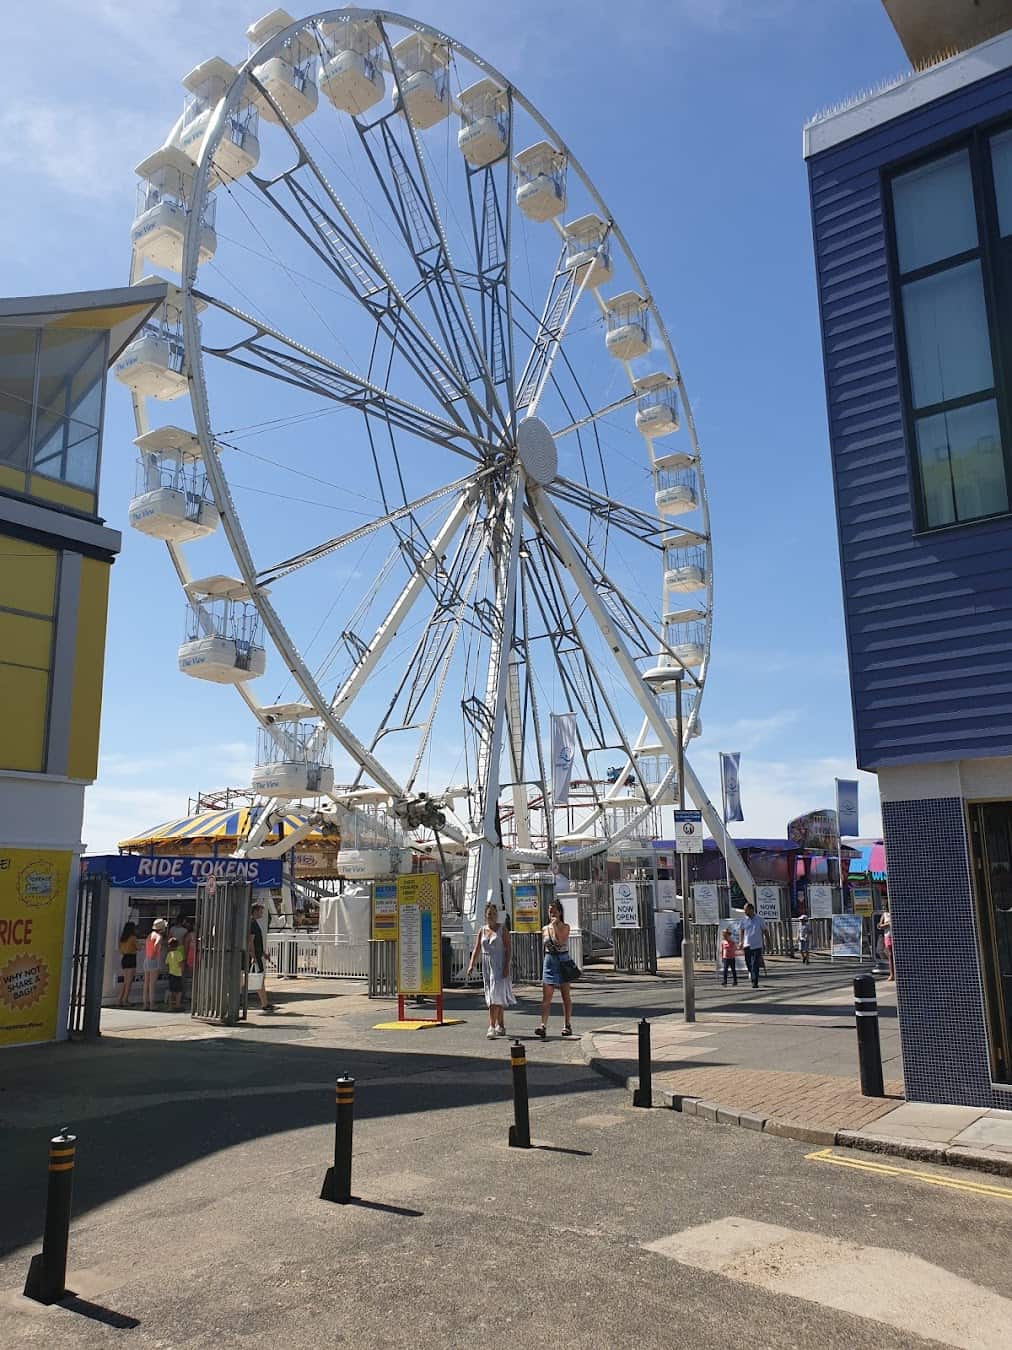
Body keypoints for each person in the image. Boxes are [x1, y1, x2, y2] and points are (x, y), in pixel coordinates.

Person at [467, 902, 516, 1038]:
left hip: (499, 964)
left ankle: (491, 1026)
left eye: (494, 914)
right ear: (485, 915)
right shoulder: (482, 930)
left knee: (495, 996)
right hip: (487, 965)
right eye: (489, 914)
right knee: (493, 995)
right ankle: (501, 1025)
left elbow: (508, 949)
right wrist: (471, 965)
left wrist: (507, 966)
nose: (492, 916)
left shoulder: (502, 930)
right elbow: (477, 949)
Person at [535, 899, 574, 1039]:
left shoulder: (565, 927)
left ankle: (567, 1025)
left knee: (565, 995)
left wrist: (555, 926)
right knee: (546, 996)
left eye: (554, 911)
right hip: (549, 960)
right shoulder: (545, 928)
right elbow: (544, 946)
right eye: (550, 911)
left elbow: (560, 942)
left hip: (562, 960)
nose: (552, 914)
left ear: (560, 912)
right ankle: (543, 1025)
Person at [248, 903, 275, 1012]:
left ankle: (265, 1003)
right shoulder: (252, 923)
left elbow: (256, 942)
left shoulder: (253, 923)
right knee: (258, 979)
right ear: (255, 911)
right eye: (261, 911)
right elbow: (251, 941)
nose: (262, 913)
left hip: (257, 955)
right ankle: (264, 1004)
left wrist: (263, 953)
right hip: (254, 957)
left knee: (259, 979)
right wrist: (253, 955)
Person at [142, 918, 167, 1010]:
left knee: (146, 983)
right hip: (153, 960)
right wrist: (155, 952)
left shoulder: (150, 935)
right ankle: (152, 1004)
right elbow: (156, 945)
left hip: (147, 959)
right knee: (152, 983)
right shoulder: (158, 936)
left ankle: (145, 1004)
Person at [739, 902, 765, 989]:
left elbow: (765, 931)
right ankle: (751, 972)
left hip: (757, 945)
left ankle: (755, 981)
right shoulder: (744, 920)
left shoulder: (759, 919)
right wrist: (741, 941)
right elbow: (741, 930)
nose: (745, 912)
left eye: (746, 910)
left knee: (755, 964)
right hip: (747, 944)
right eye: (744, 910)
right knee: (748, 963)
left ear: (751, 910)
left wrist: (768, 942)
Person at [117, 921, 139, 1007]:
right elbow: (138, 947)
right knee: (129, 981)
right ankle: (125, 1000)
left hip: (125, 958)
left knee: (125, 981)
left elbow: (121, 950)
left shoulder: (122, 938)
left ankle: (120, 999)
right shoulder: (133, 937)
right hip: (131, 958)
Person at [165, 937, 185, 1011]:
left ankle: (170, 1006)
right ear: (177, 945)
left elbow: (167, 964)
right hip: (178, 974)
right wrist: (182, 970)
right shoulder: (179, 953)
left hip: (171, 974)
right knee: (179, 991)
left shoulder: (169, 954)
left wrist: (169, 970)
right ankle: (177, 1004)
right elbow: (181, 964)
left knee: (171, 990)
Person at [879, 908, 894, 981]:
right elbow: (880, 925)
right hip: (888, 935)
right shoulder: (884, 914)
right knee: (890, 955)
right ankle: (892, 974)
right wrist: (888, 924)